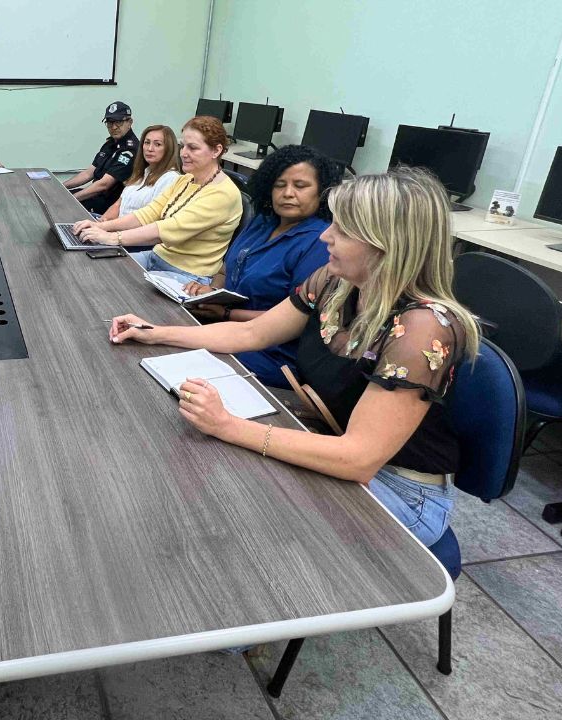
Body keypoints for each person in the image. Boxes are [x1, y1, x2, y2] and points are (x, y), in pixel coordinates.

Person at [109, 168, 480, 548]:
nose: (325, 236)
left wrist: (227, 425)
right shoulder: (337, 280)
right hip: (336, 444)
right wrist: (156, 333)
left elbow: (358, 459)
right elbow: (251, 333)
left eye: (344, 230)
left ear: (387, 244)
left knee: (240, 518)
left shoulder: (422, 328)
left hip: (401, 489)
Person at [181, 145, 344, 388]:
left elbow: (296, 320)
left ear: (321, 192)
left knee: (183, 362)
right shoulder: (263, 221)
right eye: (280, 184)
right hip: (224, 327)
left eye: (300, 186)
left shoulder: (320, 241)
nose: (288, 193)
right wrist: (210, 292)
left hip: (271, 353)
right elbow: (227, 269)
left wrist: (226, 314)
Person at [73, 116, 243, 284]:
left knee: (115, 289)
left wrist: (112, 238)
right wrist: (99, 226)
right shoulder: (185, 180)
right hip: (156, 257)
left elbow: (170, 228)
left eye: (193, 148)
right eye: (183, 146)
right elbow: (149, 213)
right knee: (94, 272)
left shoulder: (223, 194)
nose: (183, 153)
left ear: (216, 150)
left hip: (188, 275)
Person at [63, 101, 140, 215]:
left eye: (118, 122)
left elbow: (104, 185)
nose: (113, 127)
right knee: (58, 197)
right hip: (95, 196)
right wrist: (61, 187)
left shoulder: (129, 150)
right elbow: (88, 173)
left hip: (108, 205)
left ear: (129, 122)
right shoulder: (110, 144)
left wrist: (73, 199)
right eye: (110, 122)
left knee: (62, 205)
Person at [99, 124, 182, 220]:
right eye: (147, 143)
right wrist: (100, 224)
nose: (150, 149)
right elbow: (118, 205)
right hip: (114, 228)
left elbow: (151, 220)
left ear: (168, 149)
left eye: (157, 144)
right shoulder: (142, 173)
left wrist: (107, 229)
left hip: (130, 232)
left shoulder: (170, 178)